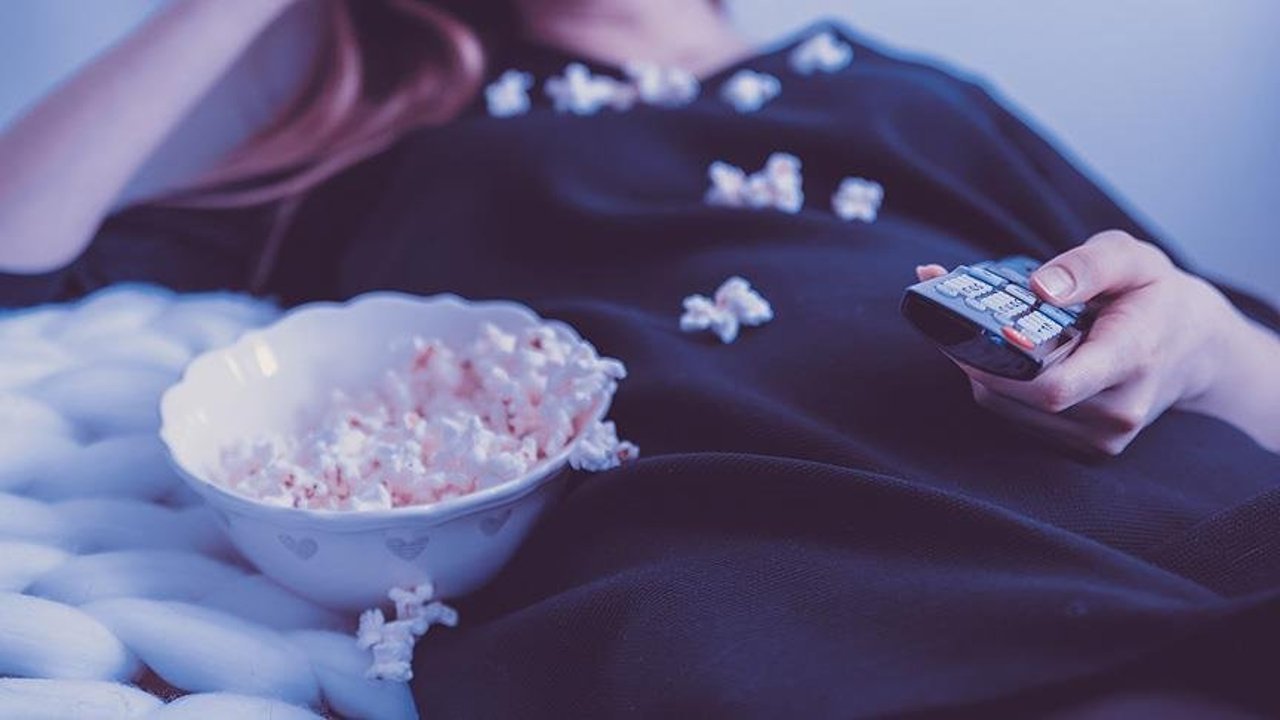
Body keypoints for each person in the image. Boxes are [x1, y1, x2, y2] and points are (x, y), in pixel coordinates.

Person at [1, 0, 1278, 716]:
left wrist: (1205, 346)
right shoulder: (399, 141)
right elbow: (17, 259)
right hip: (763, 566)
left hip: (1144, 504)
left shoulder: (908, 91)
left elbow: (1239, 360)